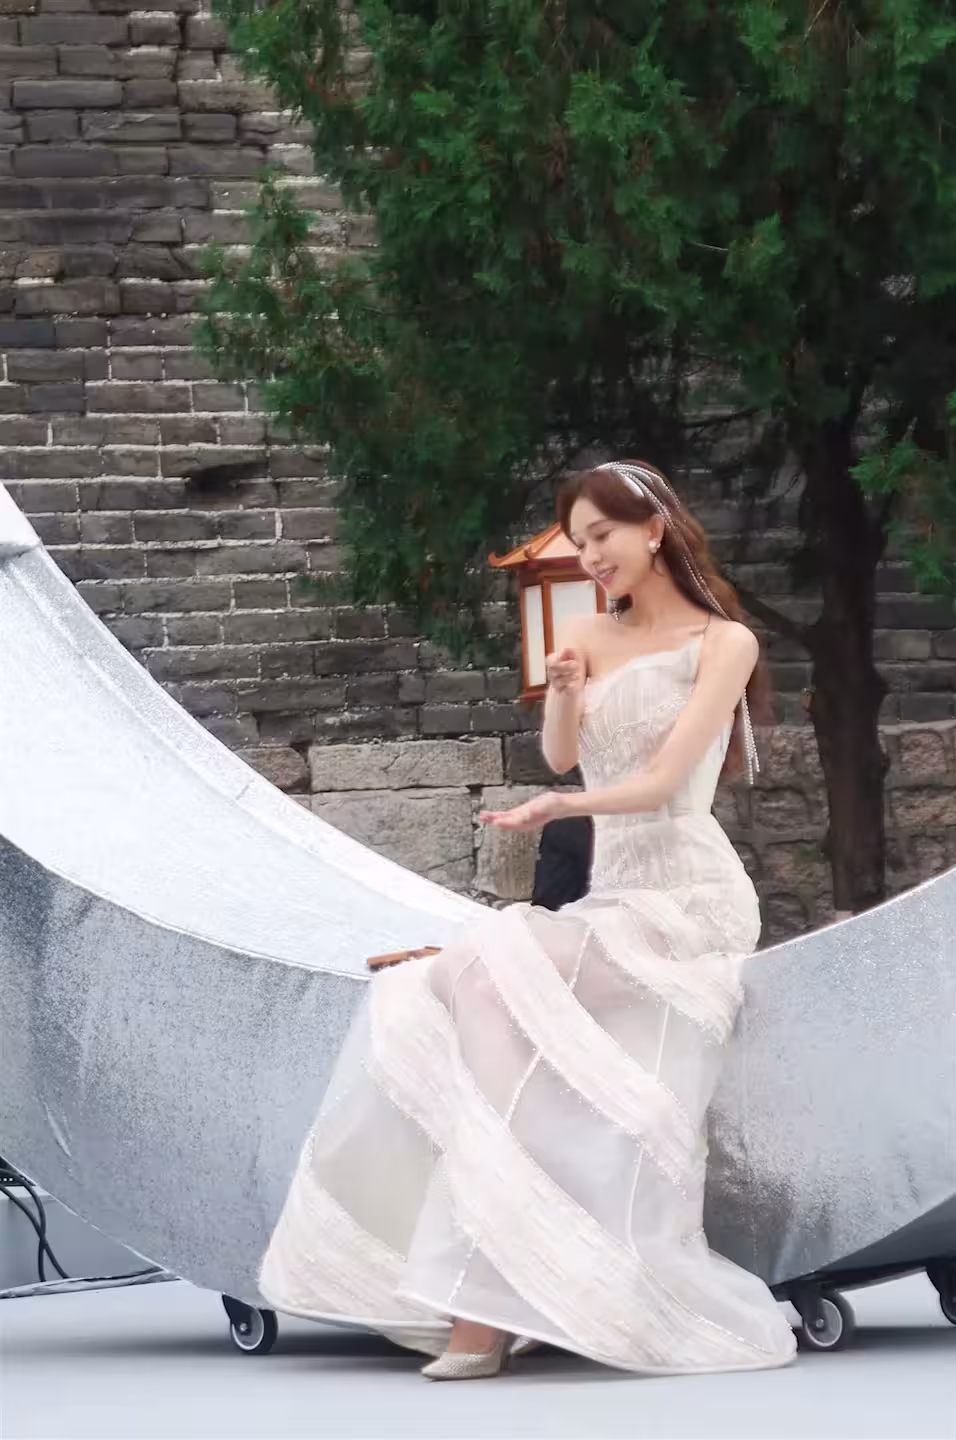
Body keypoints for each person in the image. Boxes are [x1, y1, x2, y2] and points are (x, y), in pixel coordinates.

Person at [258, 459, 798, 1380]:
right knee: (436, 993)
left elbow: (665, 783)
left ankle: (487, 1307)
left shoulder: (725, 643)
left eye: (602, 537)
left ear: (654, 529)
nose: (591, 558)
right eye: (580, 544)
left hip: (687, 898)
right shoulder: (584, 632)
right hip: (610, 895)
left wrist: (561, 810)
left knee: (482, 967)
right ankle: (507, 1272)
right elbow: (559, 755)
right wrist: (567, 692)